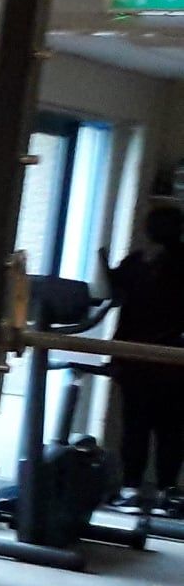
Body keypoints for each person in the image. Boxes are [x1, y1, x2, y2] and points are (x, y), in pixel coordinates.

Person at [107, 201, 184, 509]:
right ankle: (166, 490)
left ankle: (131, 488)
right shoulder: (143, 263)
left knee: (136, 427)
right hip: (170, 359)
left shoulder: (137, 262)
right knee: (171, 429)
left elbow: (115, 293)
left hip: (137, 357)